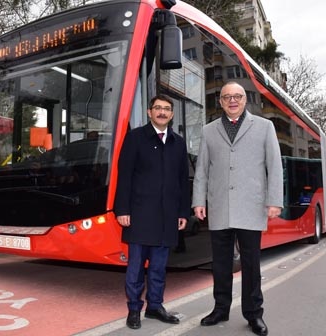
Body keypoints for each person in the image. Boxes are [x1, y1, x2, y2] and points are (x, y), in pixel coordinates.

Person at [192, 81, 283, 336]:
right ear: (220, 102)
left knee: (251, 264)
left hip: (251, 206)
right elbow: (202, 169)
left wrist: (274, 200)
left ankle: (254, 314)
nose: (232, 100)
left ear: (245, 100)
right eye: (226, 97)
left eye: (237, 96)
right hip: (219, 205)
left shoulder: (265, 127)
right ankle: (220, 308)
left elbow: (274, 167)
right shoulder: (209, 131)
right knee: (220, 264)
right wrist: (199, 200)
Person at [114, 94, 190, 330]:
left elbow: (182, 180)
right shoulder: (135, 138)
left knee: (158, 268)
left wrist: (183, 213)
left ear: (172, 114)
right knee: (136, 268)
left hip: (168, 217)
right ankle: (134, 309)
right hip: (138, 215)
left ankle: (155, 307)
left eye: (167, 109)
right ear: (149, 112)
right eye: (157, 108)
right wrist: (122, 209)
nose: (162, 112)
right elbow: (124, 175)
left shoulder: (178, 142)